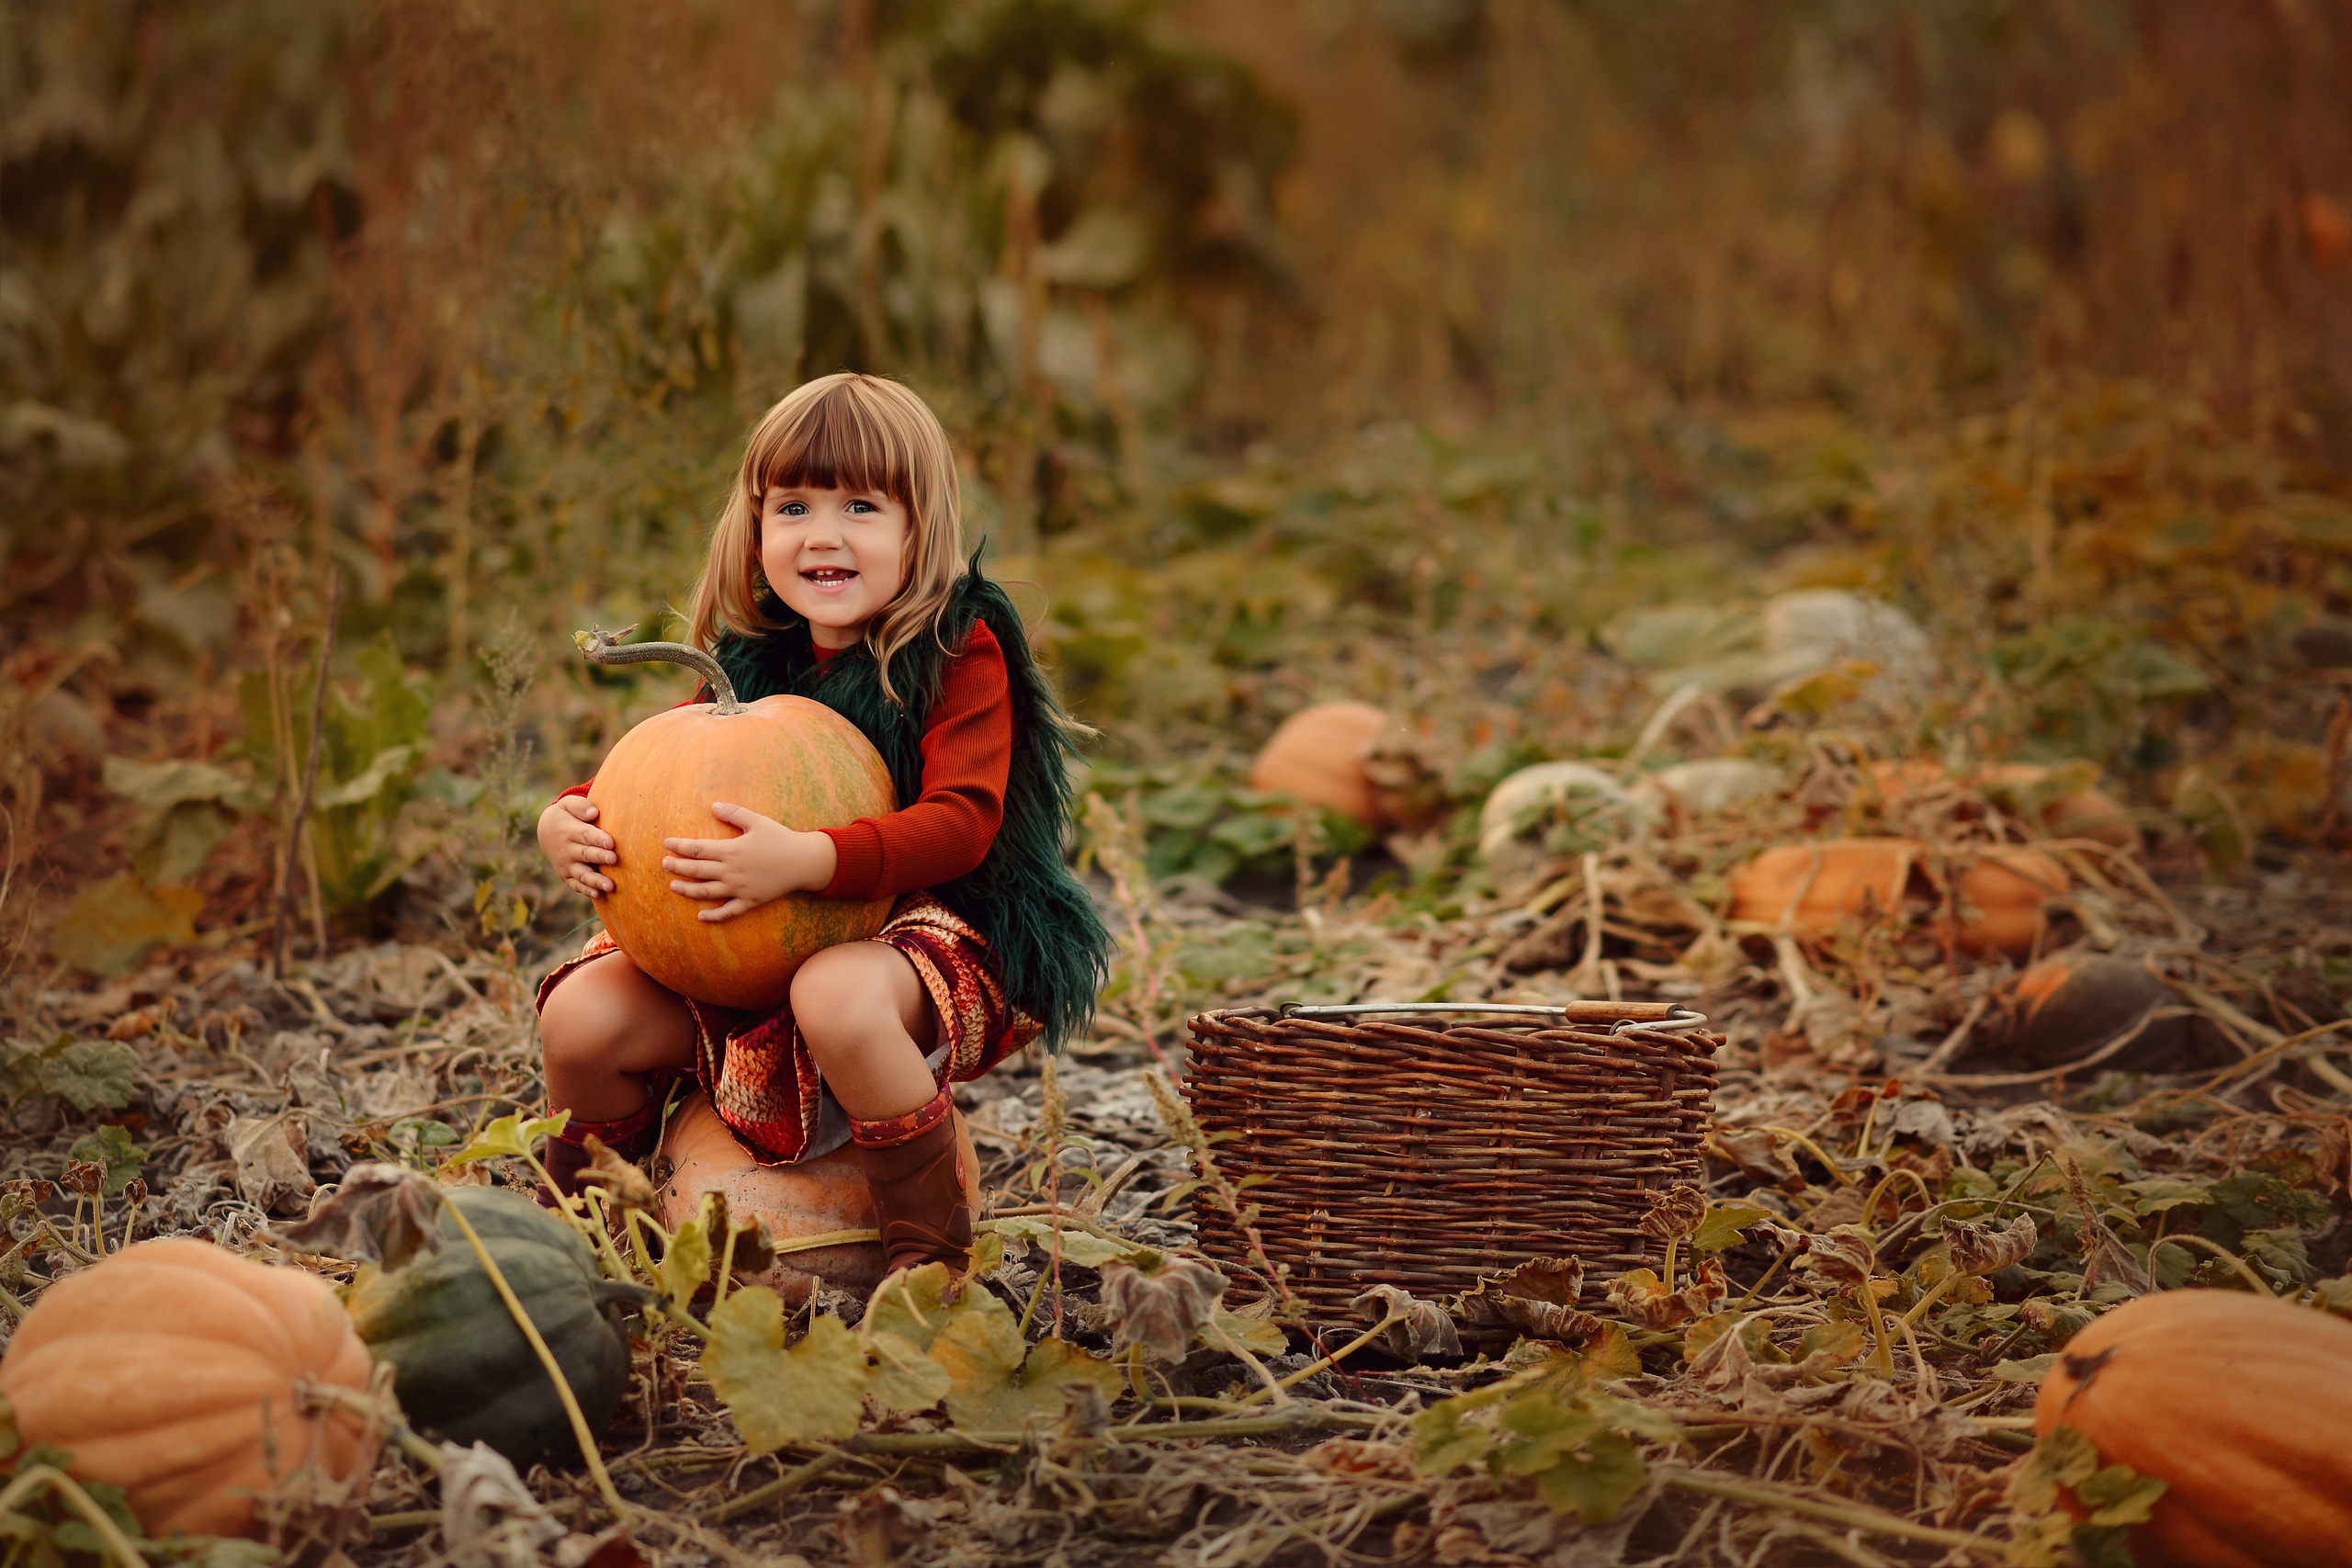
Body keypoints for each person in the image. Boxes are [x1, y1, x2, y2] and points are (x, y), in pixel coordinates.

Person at [533, 372, 1111, 1277]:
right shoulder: (755, 657)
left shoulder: (957, 650)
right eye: (794, 506)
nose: (823, 535)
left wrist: (808, 859)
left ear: (921, 527)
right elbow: (660, 780)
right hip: (755, 954)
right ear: (756, 525)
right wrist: (569, 816)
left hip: (927, 939)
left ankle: (930, 1262)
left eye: (861, 507)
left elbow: (961, 824)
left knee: (835, 992)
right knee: (581, 1019)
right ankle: (585, 1236)